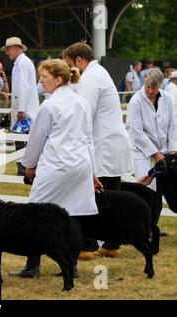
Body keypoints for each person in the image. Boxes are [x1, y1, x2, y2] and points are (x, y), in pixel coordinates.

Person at [16, 59, 102, 278]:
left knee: (35, 214)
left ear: (58, 79)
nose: (41, 81)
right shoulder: (82, 102)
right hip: (80, 166)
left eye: (44, 77)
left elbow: (36, 140)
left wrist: (29, 166)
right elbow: (89, 140)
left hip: (55, 165)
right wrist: (92, 172)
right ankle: (70, 267)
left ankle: (32, 265)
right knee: (73, 214)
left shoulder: (49, 105)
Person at [62, 42, 133, 259]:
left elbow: (84, 112)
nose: (70, 71)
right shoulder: (100, 73)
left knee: (91, 197)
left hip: (103, 147)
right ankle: (111, 244)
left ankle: (87, 245)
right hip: (111, 145)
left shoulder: (90, 78)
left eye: (69, 66)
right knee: (110, 199)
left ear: (79, 61)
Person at [126, 67, 177, 191]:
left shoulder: (168, 99)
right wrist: (155, 154)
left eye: (153, 88)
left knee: (164, 190)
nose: (149, 90)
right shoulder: (136, 101)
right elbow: (137, 132)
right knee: (146, 189)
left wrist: (172, 150)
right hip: (142, 152)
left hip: (164, 152)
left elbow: (172, 126)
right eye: (147, 86)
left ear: (160, 85)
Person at [2, 37, 40, 176]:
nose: (7, 52)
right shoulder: (22, 62)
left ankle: (23, 171)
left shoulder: (22, 63)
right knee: (22, 141)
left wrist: (21, 110)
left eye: (8, 49)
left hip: (25, 111)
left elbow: (22, 88)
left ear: (15, 48)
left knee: (22, 141)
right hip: (25, 109)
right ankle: (23, 170)